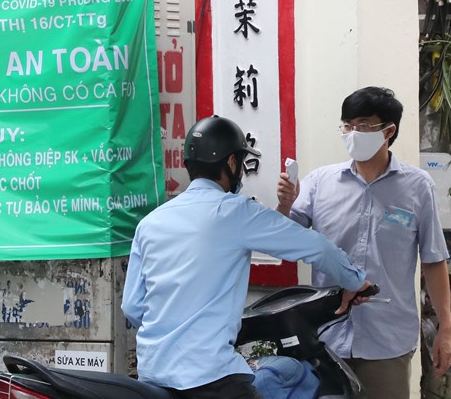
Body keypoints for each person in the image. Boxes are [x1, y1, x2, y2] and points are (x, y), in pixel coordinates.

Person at [122, 115, 371, 399]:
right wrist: (355, 281)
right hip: (210, 379)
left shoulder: (151, 222)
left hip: (153, 375)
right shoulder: (236, 212)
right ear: (231, 163)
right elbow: (317, 248)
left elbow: (132, 306)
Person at [276, 86, 451, 399]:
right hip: (324, 336)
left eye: (364, 126)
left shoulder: (417, 186)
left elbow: (434, 260)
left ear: (389, 131)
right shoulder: (320, 182)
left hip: (387, 341)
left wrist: (446, 329)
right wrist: (285, 205)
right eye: (348, 125)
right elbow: (286, 239)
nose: (353, 133)